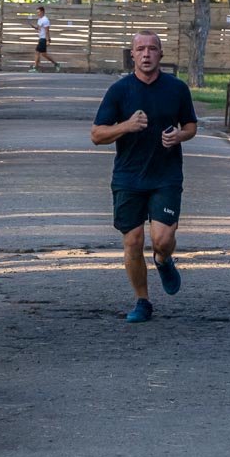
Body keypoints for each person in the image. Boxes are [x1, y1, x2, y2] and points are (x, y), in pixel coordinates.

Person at [91, 31, 197, 323]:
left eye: (152, 49)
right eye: (141, 49)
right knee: (133, 241)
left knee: (162, 240)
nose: (147, 54)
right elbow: (97, 135)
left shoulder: (176, 89)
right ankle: (142, 301)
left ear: (161, 54)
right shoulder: (119, 90)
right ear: (133, 55)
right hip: (129, 177)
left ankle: (163, 260)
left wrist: (180, 135)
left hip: (166, 174)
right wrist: (125, 125)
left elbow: (191, 125)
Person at [30, 6, 61, 72]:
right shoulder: (39, 20)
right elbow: (39, 28)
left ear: (42, 12)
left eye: (39, 12)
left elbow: (47, 31)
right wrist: (34, 27)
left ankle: (35, 67)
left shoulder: (45, 20)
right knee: (43, 54)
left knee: (37, 52)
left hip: (43, 39)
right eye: (37, 12)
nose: (37, 14)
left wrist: (47, 40)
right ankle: (56, 64)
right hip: (41, 38)